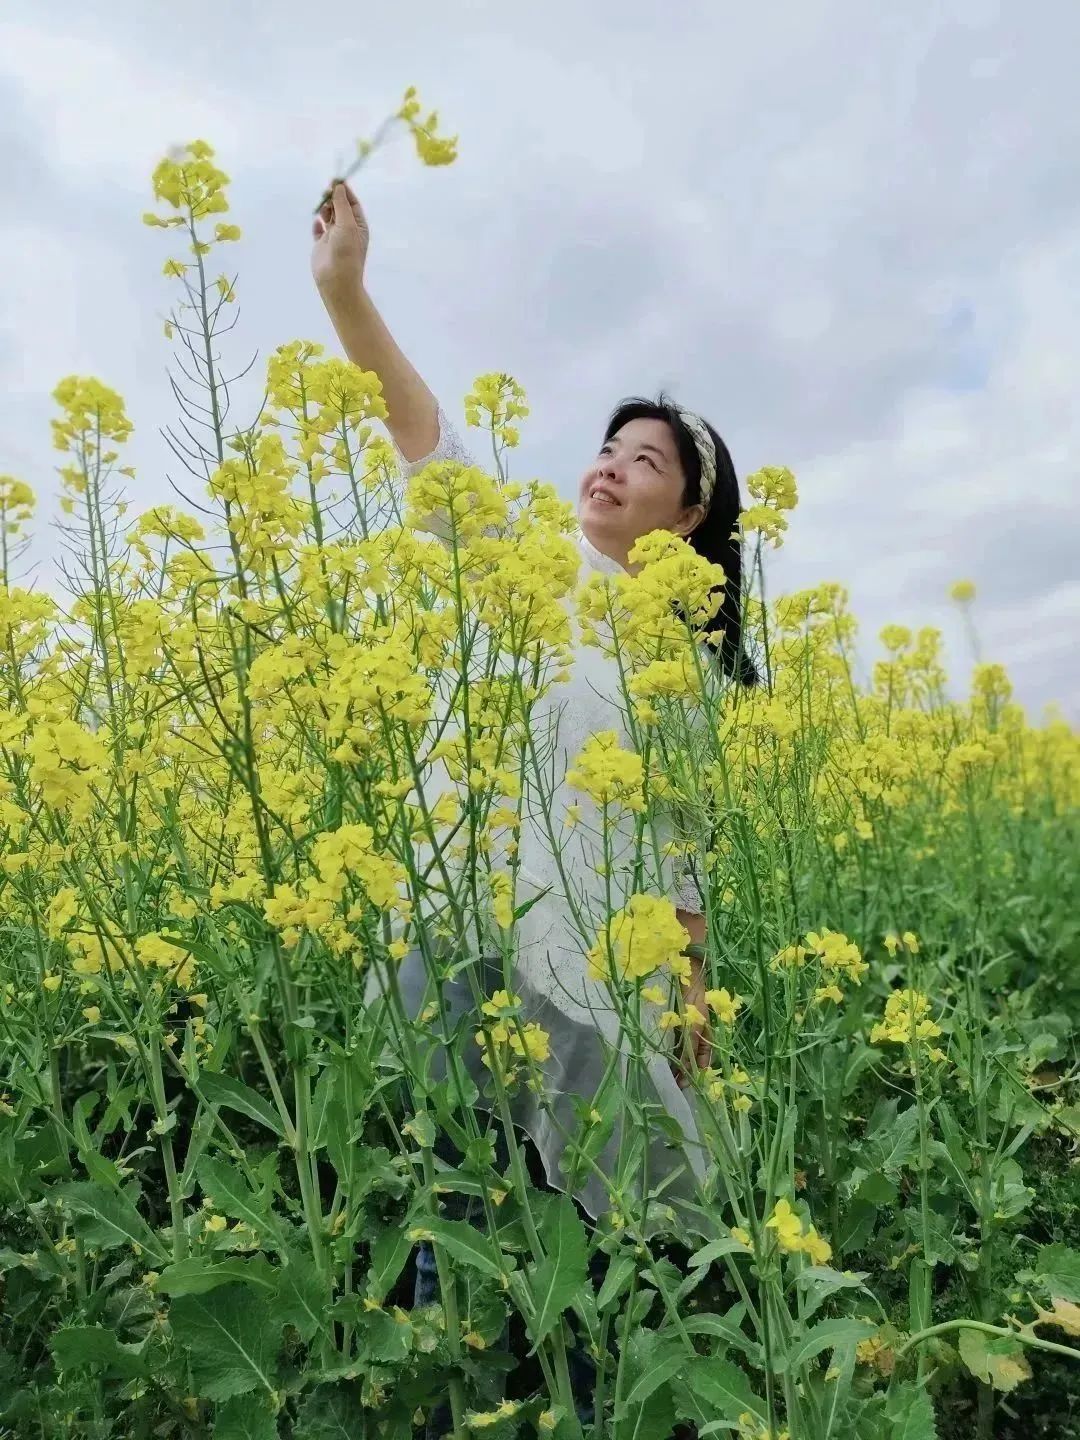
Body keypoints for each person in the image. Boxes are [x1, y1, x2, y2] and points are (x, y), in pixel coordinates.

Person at [311, 178, 756, 1429]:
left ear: (692, 512)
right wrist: (348, 293)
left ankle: (571, 1397)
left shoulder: (682, 667)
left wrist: (694, 1015)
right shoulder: (525, 556)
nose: (612, 467)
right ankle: (446, 1401)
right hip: (452, 923)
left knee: (576, 1230)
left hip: (578, 967)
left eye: (646, 460)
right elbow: (425, 439)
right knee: (438, 1203)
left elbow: (681, 868)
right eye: (609, 448)